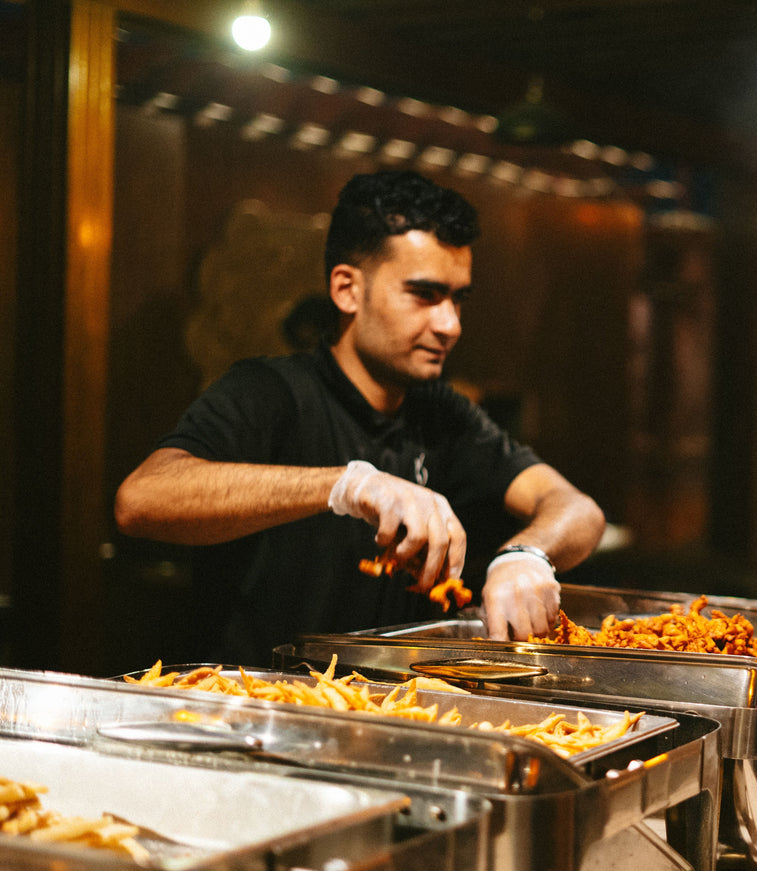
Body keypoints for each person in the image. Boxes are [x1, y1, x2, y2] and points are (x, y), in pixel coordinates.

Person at [115, 170, 605, 665]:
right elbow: (140, 499)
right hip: (257, 709)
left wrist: (525, 555)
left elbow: (576, 509)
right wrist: (348, 486)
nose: (450, 325)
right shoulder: (269, 391)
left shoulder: (438, 410)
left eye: (458, 298)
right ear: (347, 289)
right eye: (424, 294)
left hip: (393, 709)